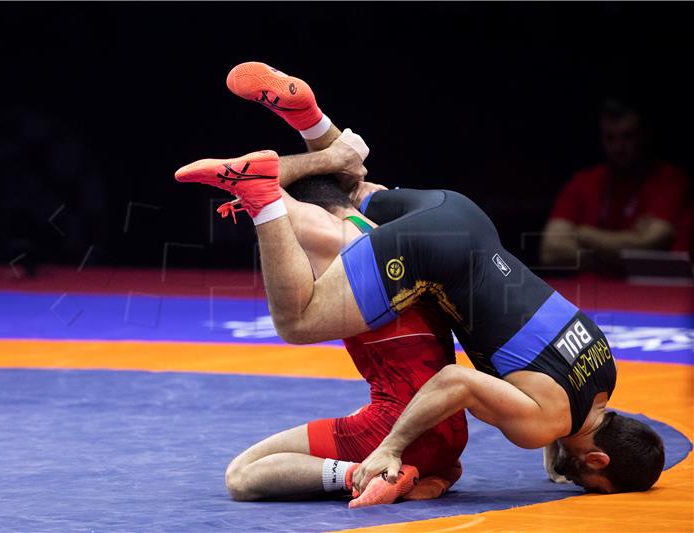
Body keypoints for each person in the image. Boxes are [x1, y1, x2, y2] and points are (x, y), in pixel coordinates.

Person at [176, 63, 665, 496]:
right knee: (298, 322)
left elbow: (548, 389)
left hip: (461, 218)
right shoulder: (545, 421)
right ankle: (263, 195)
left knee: (345, 194)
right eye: (591, 483)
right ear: (598, 460)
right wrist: (391, 449)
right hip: (438, 259)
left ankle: (313, 123)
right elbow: (455, 381)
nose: (579, 483)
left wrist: (557, 440)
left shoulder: (602, 372)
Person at [220, 63, 468, 508]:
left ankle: (364, 473)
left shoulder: (316, 230)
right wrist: (337, 156)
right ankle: (310, 117)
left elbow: (260, 181)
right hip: (449, 429)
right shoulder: (383, 230)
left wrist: (331, 160)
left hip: (396, 428)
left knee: (242, 475)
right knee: (358, 182)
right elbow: (355, 183)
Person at [540, 98, 690, 270]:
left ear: (645, 135)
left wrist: (583, 233)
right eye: (610, 137)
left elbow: (652, 243)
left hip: (648, 292)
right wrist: (623, 251)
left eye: (628, 136)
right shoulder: (583, 181)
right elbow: (550, 251)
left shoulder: (669, 180)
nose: (618, 147)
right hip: (587, 292)